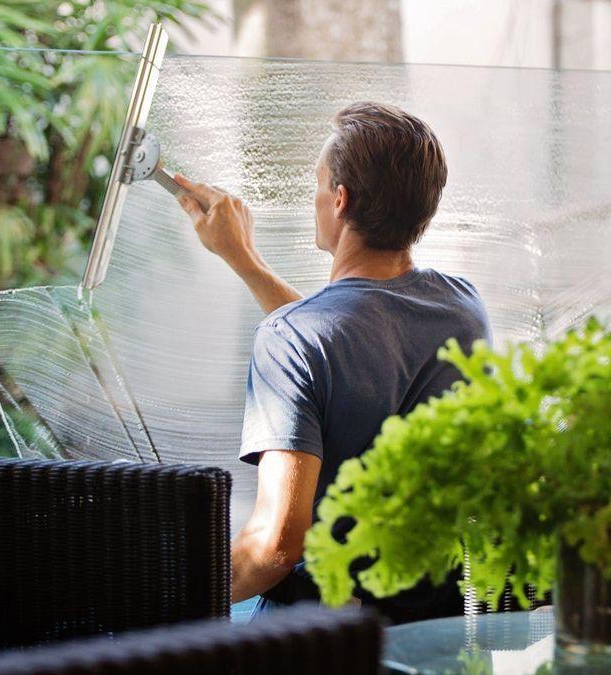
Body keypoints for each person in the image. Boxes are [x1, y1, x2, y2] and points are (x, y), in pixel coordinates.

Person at [173, 101, 490, 623]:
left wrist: (161, 591)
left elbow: (274, 547)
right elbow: (351, 337)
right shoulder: (463, 309)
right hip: (434, 624)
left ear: (340, 200)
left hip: (325, 634)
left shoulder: (294, 338)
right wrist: (244, 260)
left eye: (318, 183)